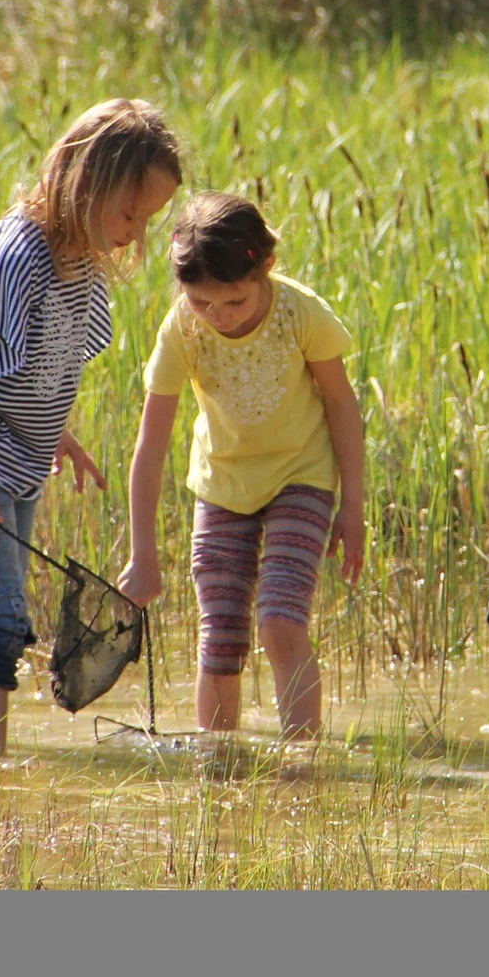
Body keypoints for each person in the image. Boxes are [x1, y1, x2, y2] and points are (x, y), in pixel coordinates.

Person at [0, 99, 182, 760]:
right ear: (87, 184)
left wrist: (54, 432)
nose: (135, 233)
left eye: (148, 219)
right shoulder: (19, 252)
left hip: (14, 458)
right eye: (129, 213)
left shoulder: (80, 258)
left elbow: (20, 359)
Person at [120, 193, 368, 742]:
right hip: (223, 485)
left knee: (280, 621)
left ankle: (303, 761)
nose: (219, 317)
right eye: (201, 302)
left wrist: (352, 506)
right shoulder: (182, 330)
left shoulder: (300, 314)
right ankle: (220, 763)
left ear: (266, 267)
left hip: (301, 476)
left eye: (234, 301)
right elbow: (151, 447)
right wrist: (143, 554)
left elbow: (341, 405)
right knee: (221, 637)